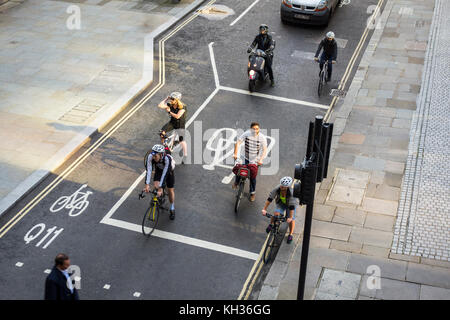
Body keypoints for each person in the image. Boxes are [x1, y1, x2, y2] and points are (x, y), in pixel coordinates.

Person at [233, 122, 268, 202]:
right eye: (254, 129)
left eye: (257, 129)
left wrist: (261, 159)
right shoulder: (247, 134)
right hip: (244, 156)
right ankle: (236, 182)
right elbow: (238, 142)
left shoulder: (262, 138)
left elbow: (265, 149)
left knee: (252, 176)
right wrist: (235, 154)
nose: (255, 130)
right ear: (250, 129)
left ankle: (252, 193)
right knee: (238, 168)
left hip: (255, 160)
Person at [261, 177, 298, 244]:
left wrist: (290, 217)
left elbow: (292, 207)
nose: (281, 187)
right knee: (275, 214)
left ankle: (290, 234)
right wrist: (264, 209)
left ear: (287, 187)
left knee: (291, 219)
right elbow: (270, 199)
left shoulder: (292, 193)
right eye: (281, 185)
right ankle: (271, 224)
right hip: (281, 203)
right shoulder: (277, 188)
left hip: (291, 205)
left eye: (283, 187)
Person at [144, 144, 176, 220]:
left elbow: (165, 175)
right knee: (156, 185)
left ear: (161, 155)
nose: (154, 158)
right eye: (153, 156)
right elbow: (149, 171)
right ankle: (160, 198)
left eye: (156, 156)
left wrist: (161, 188)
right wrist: (147, 184)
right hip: (159, 170)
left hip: (168, 171)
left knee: (170, 190)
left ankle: (172, 207)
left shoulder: (167, 159)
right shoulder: (150, 156)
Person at [157, 92, 187, 163]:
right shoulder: (171, 104)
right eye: (170, 98)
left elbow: (177, 116)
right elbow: (160, 105)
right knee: (162, 133)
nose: (171, 100)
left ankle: (185, 155)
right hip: (172, 123)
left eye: (172, 99)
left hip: (180, 125)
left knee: (181, 141)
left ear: (177, 100)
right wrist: (166, 98)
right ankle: (165, 148)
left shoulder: (183, 107)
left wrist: (170, 112)